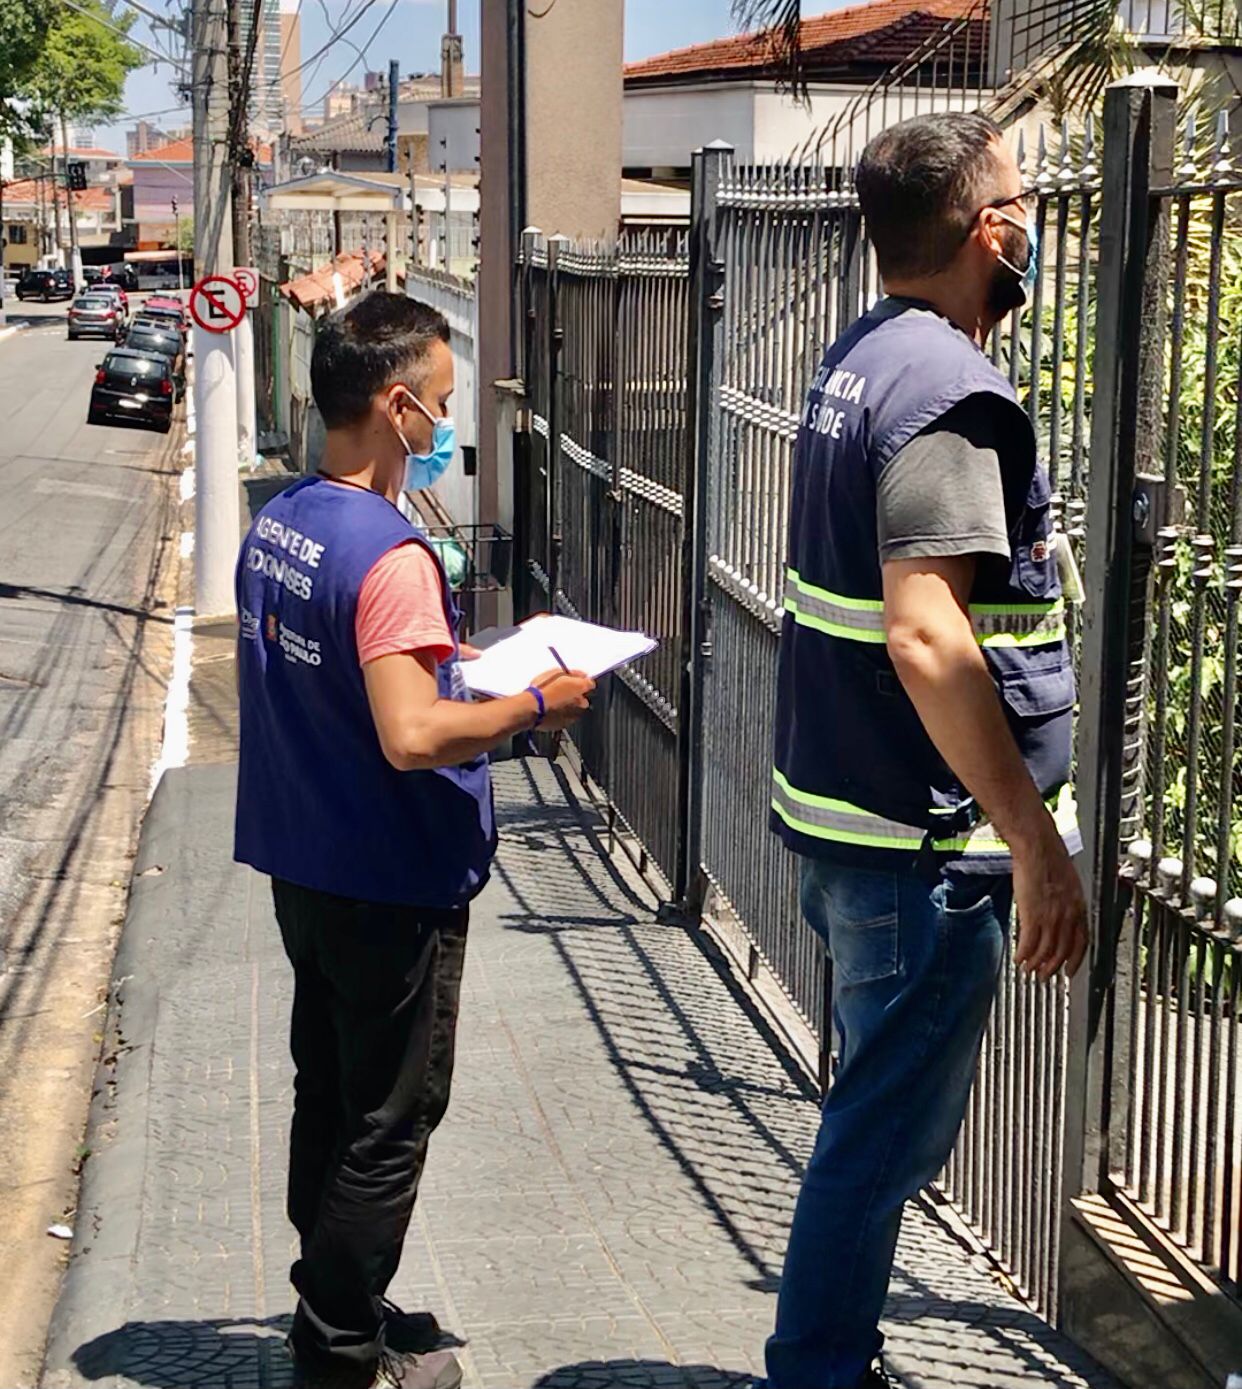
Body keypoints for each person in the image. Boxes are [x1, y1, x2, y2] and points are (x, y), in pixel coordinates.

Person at [764, 113, 1089, 1389]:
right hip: (920, 842)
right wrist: (1033, 844)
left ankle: (831, 1354)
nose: (1028, 222)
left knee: (880, 1121)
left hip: (856, 818)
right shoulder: (952, 395)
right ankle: (821, 1370)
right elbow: (926, 634)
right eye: (1017, 202)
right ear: (983, 231)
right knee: (881, 1134)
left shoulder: (863, 359)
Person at [233, 292, 594, 1389]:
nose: (445, 424)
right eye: (439, 402)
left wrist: (470, 663)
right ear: (395, 406)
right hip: (389, 877)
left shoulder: (287, 520)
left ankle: (336, 1294)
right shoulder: (391, 555)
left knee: (329, 1091)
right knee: (392, 1116)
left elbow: (356, 678)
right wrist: (538, 702)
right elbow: (410, 733)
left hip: (308, 861)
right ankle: (340, 1350)